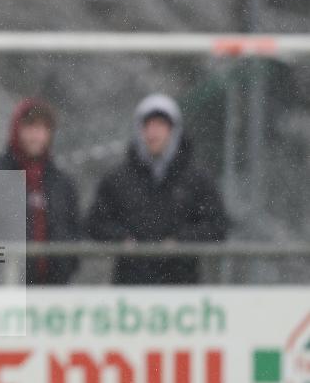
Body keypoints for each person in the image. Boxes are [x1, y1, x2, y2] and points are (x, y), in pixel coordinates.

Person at [86, 93, 228, 284]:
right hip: (130, 289)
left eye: (161, 125)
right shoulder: (118, 180)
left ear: (174, 130)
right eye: (148, 125)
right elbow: (95, 222)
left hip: (182, 289)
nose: (153, 133)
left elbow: (217, 225)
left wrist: (181, 242)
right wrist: (122, 240)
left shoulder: (196, 180)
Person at [0, 98, 81, 284]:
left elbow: (74, 233)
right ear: (16, 130)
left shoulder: (62, 183)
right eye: (30, 126)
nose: (36, 135)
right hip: (2, 288)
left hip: (52, 291)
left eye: (43, 128)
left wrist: (64, 265)